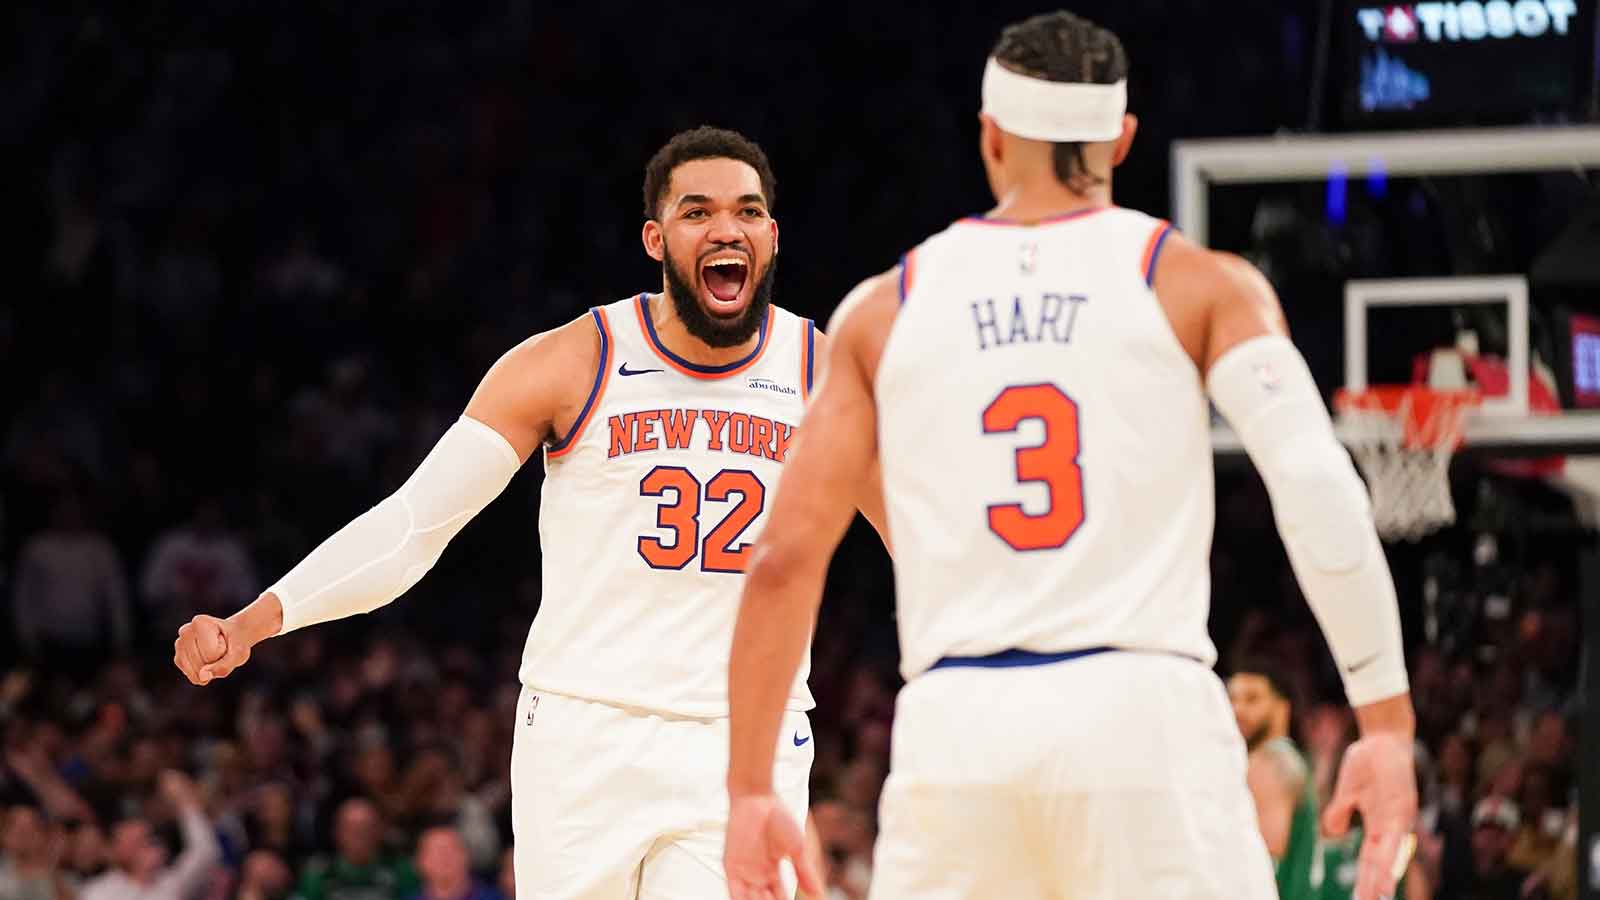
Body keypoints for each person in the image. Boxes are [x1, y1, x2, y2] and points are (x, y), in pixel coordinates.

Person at [722, 10, 1417, 900]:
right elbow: (1319, 487)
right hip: (1146, 719)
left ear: (991, 136)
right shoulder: (1201, 282)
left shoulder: (883, 310)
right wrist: (1386, 723)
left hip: (958, 733)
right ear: (1122, 139)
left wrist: (748, 789)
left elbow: (782, 559)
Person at [172, 126, 884, 899]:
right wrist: (257, 620)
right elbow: (415, 525)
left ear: (771, 236)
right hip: (584, 734)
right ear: (655, 237)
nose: (725, 229)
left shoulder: (825, 374)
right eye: (697, 211)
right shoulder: (573, 360)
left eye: (747, 212)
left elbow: (922, 538)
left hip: (747, 745)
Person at [1228, 662, 1319, 900]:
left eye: (1252, 699)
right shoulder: (1290, 760)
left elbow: (1261, 862)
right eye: (1232, 698)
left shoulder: (1270, 761)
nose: (1238, 709)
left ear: (1282, 707)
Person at [79, 770, 220, 900]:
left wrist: (185, 803)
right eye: (139, 843)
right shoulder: (99, 893)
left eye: (149, 839)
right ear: (117, 852)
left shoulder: (169, 883)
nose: (151, 846)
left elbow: (205, 851)